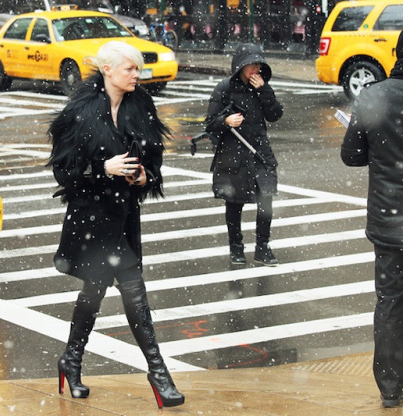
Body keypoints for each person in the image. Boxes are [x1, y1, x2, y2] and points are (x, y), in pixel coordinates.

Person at [47, 41, 185, 409]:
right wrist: (101, 169)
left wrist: (144, 177)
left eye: (138, 68)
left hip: (123, 217)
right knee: (134, 289)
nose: (137, 75)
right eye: (130, 69)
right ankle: (159, 375)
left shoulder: (140, 107)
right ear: (107, 70)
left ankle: (70, 360)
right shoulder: (80, 112)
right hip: (91, 218)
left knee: (93, 292)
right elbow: (64, 172)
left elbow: (153, 160)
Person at [340, 30, 403, 409]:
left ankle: (391, 387)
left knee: (391, 302)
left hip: (389, 221)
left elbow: (351, 155)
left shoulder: (373, 95)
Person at [205, 43, 283, 266]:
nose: (255, 69)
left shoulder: (262, 87)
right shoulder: (225, 88)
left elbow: (275, 114)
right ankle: (236, 247)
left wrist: (264, 91)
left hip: (260, 152)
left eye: (259, 65)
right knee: (234, 202)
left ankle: (262, 247)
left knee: (266, 200)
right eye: (251, 65)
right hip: (233, 154)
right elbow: (210, 124)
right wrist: (226, 121)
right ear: (240, 66)